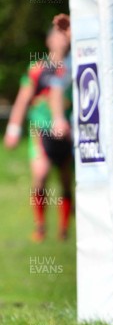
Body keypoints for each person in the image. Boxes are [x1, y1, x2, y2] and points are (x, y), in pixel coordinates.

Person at [3, 14, 73, 242]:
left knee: (65, 181)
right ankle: (40, 227)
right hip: (40, 130)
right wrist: (13, 129)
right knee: (41, 175)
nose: (61, 40)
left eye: (65, 36)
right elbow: (23, 101)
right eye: (57, 36)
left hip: (68, 133)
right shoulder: (38, 69)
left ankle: (64, 230)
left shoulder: (75, 68)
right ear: (49, 41)